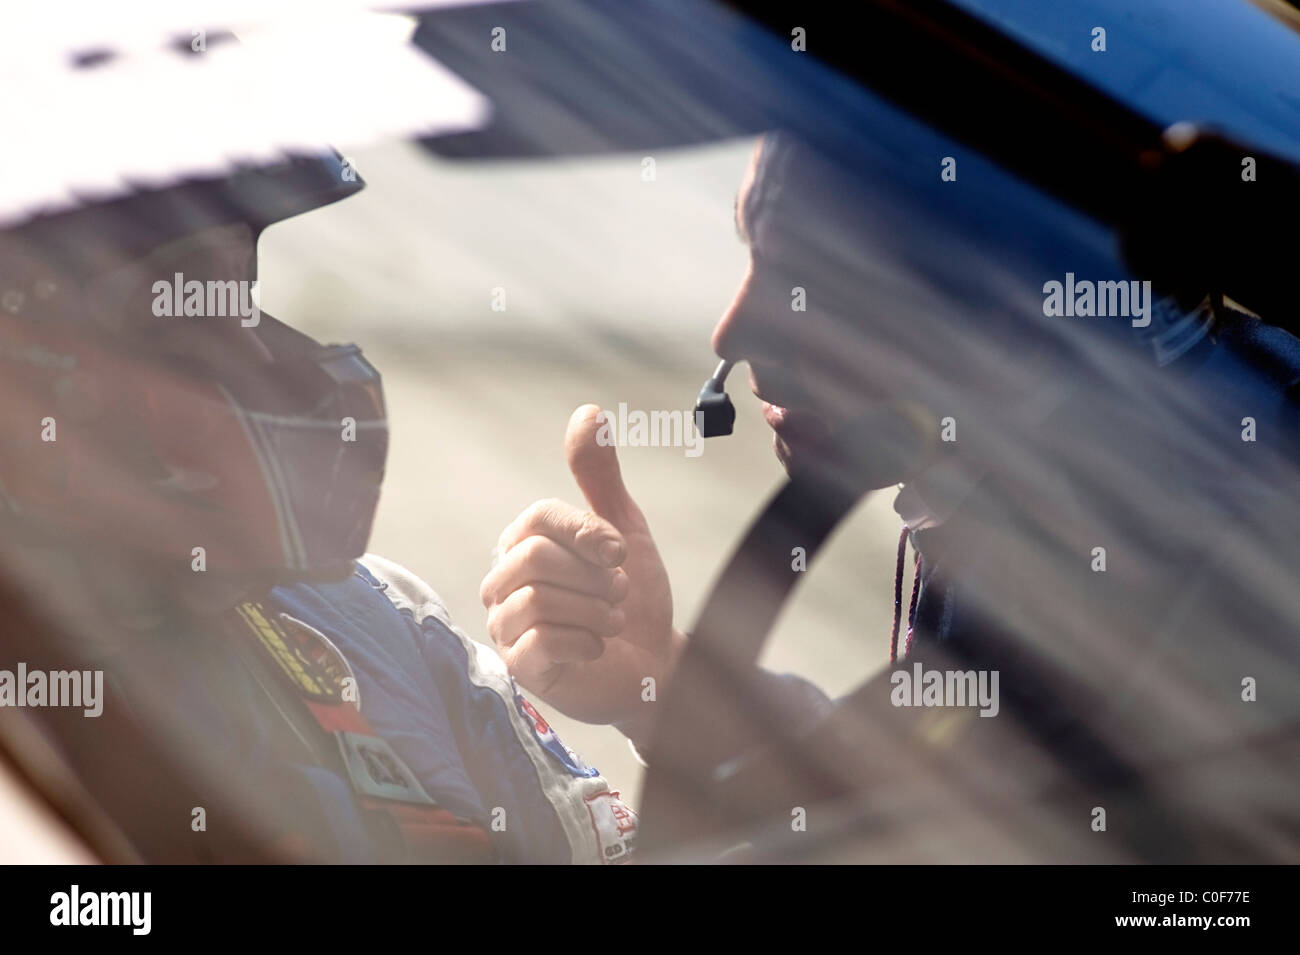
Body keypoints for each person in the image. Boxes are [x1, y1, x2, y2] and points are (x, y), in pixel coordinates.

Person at [481, 132, 1300, 860]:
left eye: (815, 277)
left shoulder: (1196, 533)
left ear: (1010, 306)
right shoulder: (1093, 454)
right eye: (753, 253)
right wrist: (660, 676)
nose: (731, 332)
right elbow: (930, 777)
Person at [0, 153, 639, 864]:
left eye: (236, 297)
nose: (253, 355)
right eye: (177, 313)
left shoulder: (383, 613)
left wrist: (663, 695)